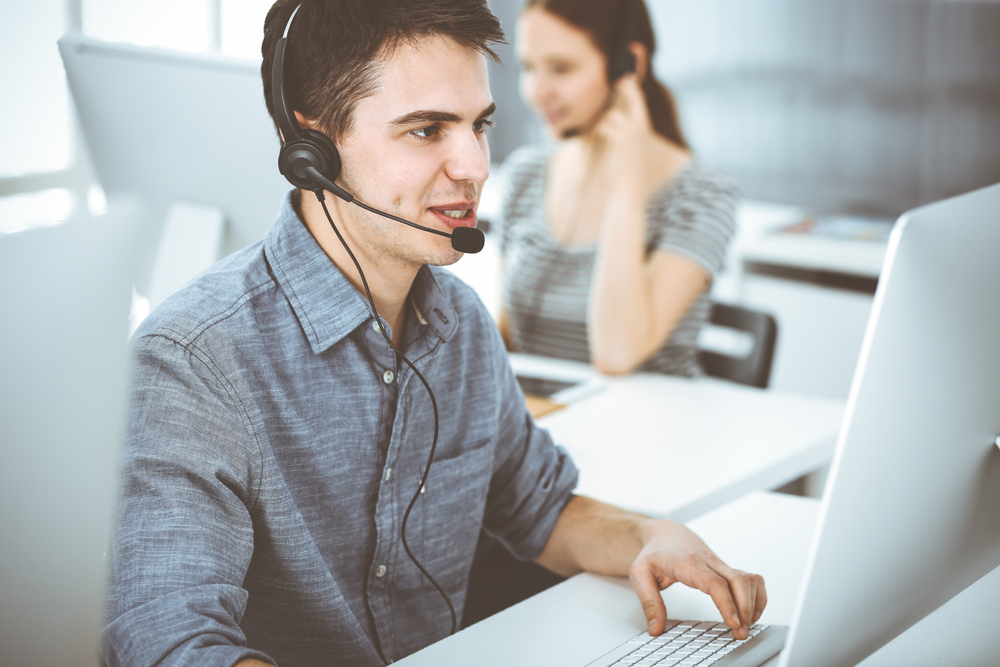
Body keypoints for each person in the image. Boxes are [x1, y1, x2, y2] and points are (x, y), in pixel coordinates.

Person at [99, 1, 765, 665]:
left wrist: (652, 535)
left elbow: (539, 506)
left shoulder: (461, 325)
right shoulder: (196, 357)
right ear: (313, 145)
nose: (475, 165)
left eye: (480, 125)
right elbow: (170, 640)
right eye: (426, 130)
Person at [495, 0, 739, 376]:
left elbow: (617, 354)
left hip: (647, 426)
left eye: (561, 68)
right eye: (528, 67)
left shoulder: (701, 194)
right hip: (541, 423)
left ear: (627, 65)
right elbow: (505, 337)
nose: (536, 91)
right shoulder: (525, 174)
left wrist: (627, 180)